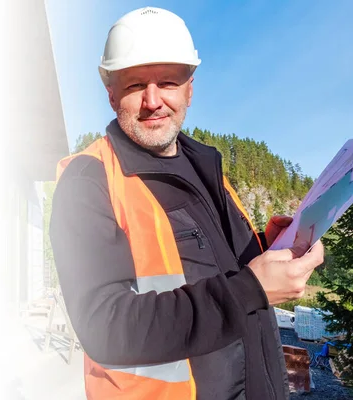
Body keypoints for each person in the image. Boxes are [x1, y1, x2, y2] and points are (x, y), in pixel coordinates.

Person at [49, 6, 324, 400]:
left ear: (190, 89)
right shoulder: (88, 180)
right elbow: (103, 327)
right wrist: (251, 289)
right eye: (133, 85)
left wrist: (272, 248)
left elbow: (215, 268)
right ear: (110, 95)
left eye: (168, 82)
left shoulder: (206, 166)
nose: (152, 100)